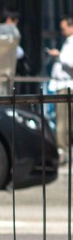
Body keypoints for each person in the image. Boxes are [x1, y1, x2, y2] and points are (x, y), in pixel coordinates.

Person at [47, 16, 73, 151]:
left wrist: (59, 56)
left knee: (63, 121)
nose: (62, 32)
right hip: (61, 85)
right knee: (62, 120)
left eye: (64, 29)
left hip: (67, 86)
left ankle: (62, 149)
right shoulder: (67, 42)